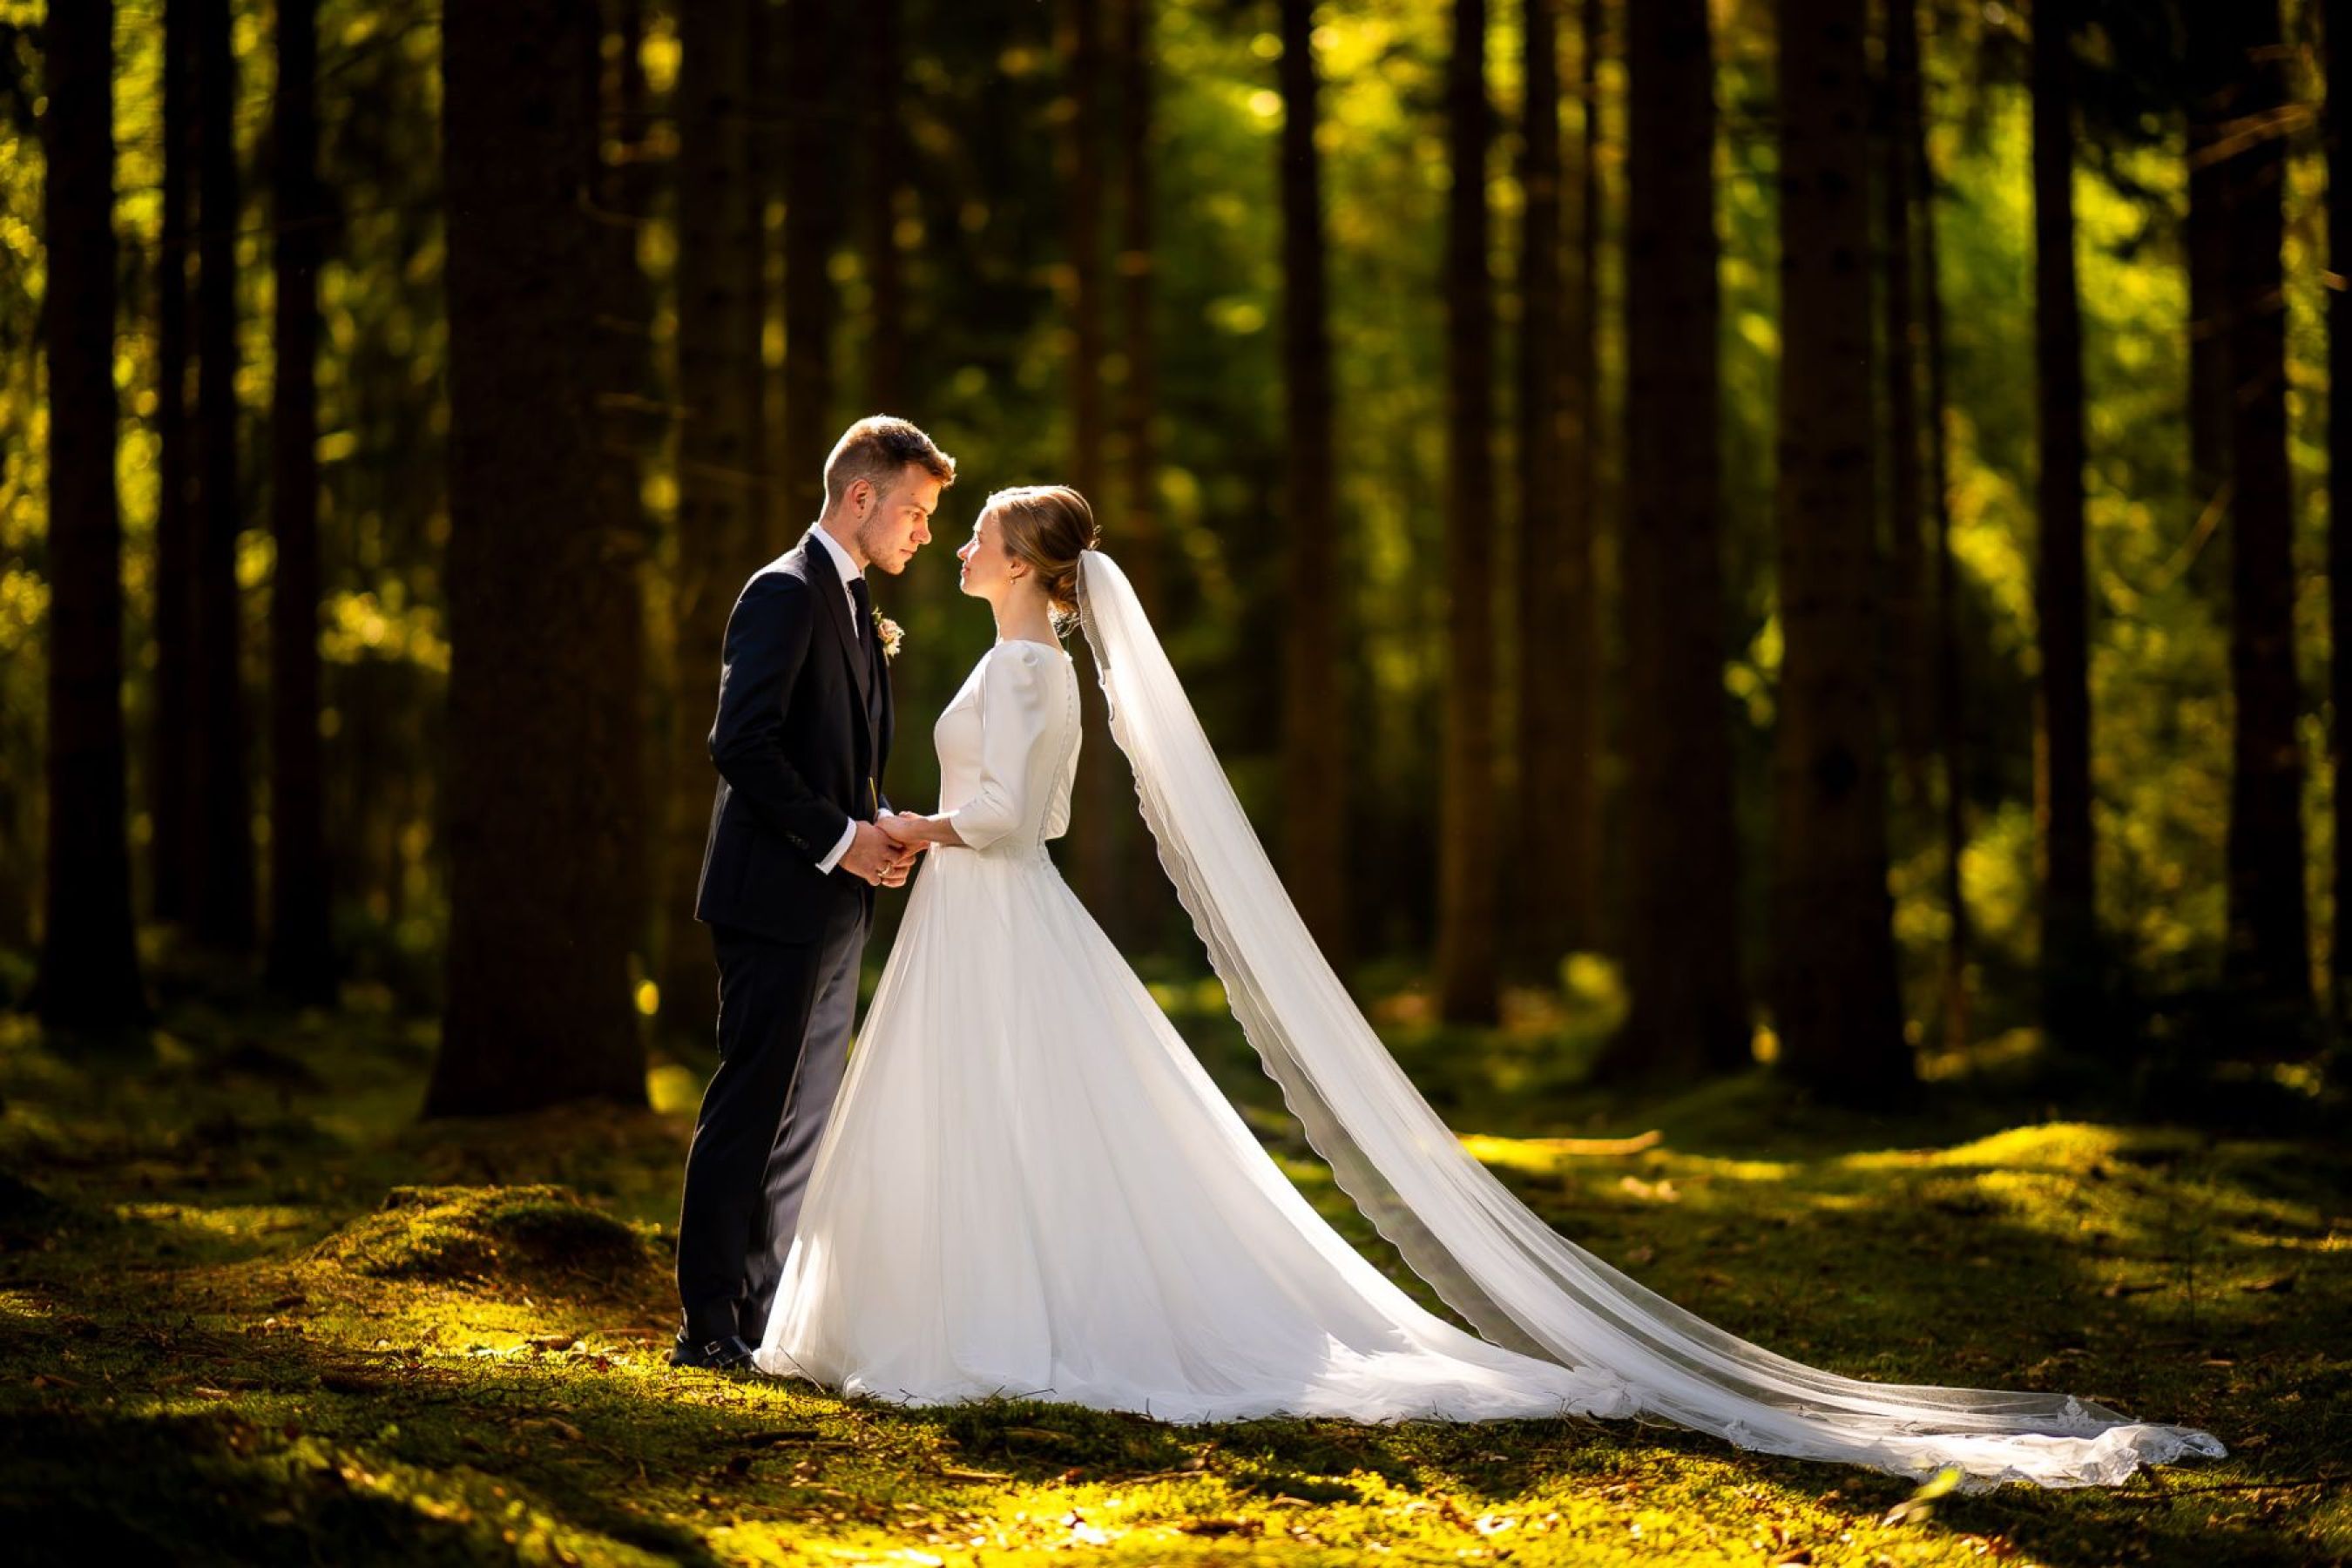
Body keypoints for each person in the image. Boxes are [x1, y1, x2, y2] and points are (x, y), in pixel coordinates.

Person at [747, 483, 2225, 1489]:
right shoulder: (1027, 666)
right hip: (986, 927)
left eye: (979, 532)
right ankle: (993, 1304)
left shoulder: (1025, 676)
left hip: (989, 908)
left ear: (1025, 562)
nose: (959, 542)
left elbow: (1020, 822)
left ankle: (994, 1316)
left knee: (1014, 1121)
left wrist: (915, 826)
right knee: (1017, 1125)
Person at [671, 416, 951, 1370]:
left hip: (835, 898)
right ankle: (707, 1325)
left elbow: (832, 752)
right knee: (753, 1105)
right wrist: (841, 838)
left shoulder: (853, 599)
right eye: (913, 511)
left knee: (806, 1117)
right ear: (860, 496)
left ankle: (760, 1313)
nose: (921, 532)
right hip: (772, 894)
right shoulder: (785, 592)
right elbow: (740, 743)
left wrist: (874, 827)